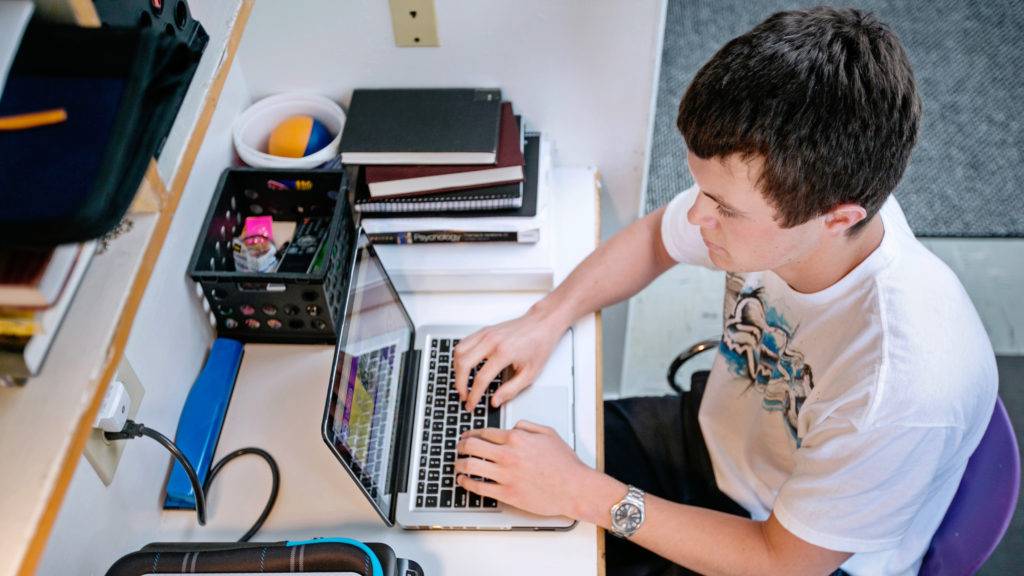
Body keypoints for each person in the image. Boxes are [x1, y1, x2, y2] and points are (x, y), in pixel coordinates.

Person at [449, 6, 999, 576]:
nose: (696, 216)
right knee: (479, 467)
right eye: (702, 190)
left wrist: (582, 493)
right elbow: (655, 242)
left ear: (838, 217)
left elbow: (782, 562)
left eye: (725, 209)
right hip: (721, 438)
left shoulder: (899, 388)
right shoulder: (806, 205)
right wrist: (545, 318)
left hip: (787, 546)